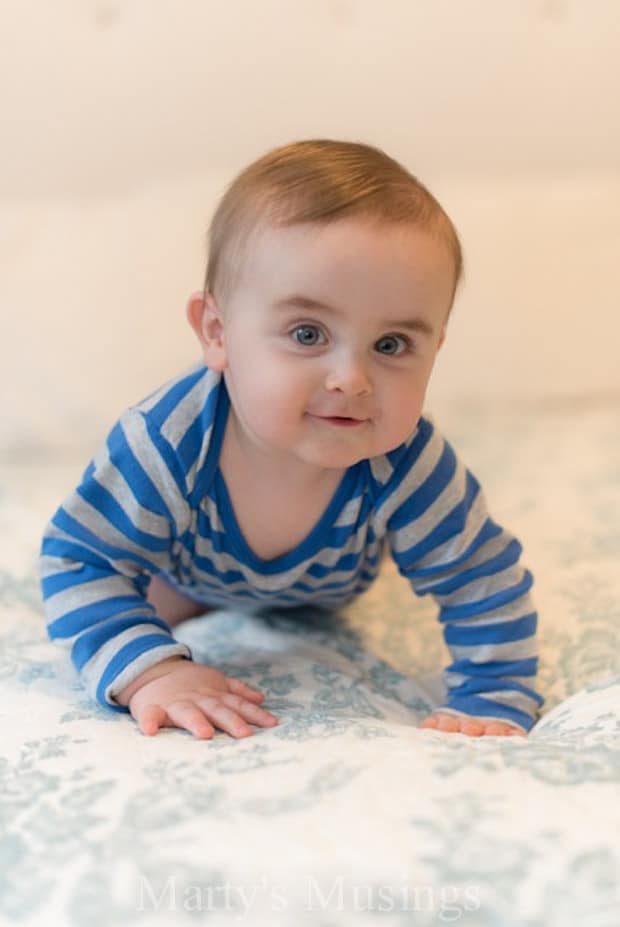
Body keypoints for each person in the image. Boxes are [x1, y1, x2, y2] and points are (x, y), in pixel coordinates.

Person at [38, 139, 543, 741]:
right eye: (307, 333)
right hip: (185, 571)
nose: (351, 381)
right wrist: (153, 672)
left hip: (325, 591)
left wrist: (492, 696)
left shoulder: (407, 464)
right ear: (218, 332)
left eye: (391, 346)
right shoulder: (165, 443)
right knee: (128, 598)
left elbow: (480, 577)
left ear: (435, 349)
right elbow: (78, 557)